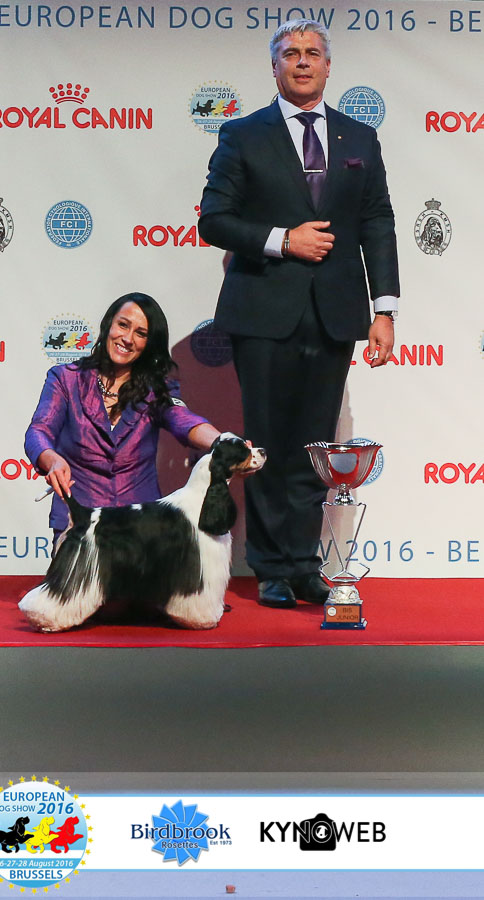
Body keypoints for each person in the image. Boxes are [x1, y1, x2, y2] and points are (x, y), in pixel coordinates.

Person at [197, 19, 400, 609]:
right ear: (275, 66)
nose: (303, 61)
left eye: (313, 53)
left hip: (335, 314)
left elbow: (378, 223)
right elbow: (214, 220)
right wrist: (284, 240)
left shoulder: (360, 137)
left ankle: (305, 563)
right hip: (263, 311)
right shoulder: (241, 134)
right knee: (267, 443)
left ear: (329, 66)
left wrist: (384, 309)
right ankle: (270, 568)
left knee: (315, 445)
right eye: (291, 53)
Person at [25, 292, 221, 546]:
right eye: (123, 325)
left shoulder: (157, 388)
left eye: (141, 333)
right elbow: (39, 431)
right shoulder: (65, 378)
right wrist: (52, 459)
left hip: (141, 525)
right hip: (80, 524)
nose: (127, 338)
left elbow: (184, 420)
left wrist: (223, 441)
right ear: (108, 324)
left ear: (149, 343)